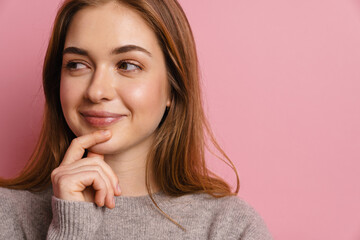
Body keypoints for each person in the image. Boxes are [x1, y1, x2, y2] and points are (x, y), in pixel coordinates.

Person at [0, 0, 273, 239]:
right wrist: (72, 228)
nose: (96, 91)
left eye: (127, 65)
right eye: (77, 65)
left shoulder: (230, 228)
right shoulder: (9, 215)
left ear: (172, 87)